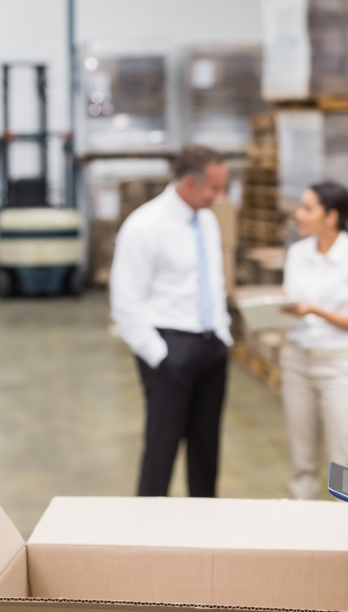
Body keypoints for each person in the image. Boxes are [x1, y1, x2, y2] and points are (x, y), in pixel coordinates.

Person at [110, 145, 232, 498]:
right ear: (190, 183)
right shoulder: (145, 226)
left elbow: (211, 280)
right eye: (214, 187)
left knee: (206, 451)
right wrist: (158, 354)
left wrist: (222, 335)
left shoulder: (206, 220)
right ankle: (150, 533)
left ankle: (205, 529)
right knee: (161, 450)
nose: (220, 195)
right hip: (169, 349)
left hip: (211, 346)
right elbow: (125, 300)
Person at [281, 182, 348, 500]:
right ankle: (305, 541)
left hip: (340, 367)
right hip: (297, 360)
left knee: (346, 464)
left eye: (307, 208)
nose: (299, 214)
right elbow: (290, 304)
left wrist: (313, 309)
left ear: (331, 216)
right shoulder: (297, 253)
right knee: (302, 464)